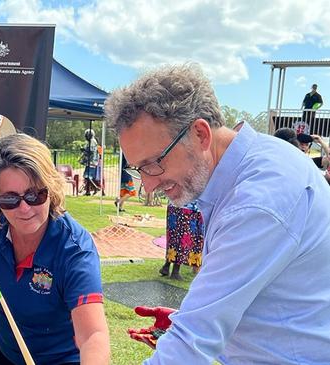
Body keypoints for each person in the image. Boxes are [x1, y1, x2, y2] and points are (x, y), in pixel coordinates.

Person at [105, 64, 330, 364]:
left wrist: (191, 324)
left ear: (200, 134)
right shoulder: (251, 165)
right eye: (139, 169)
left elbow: (192, 342)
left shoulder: (257, 201)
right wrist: (188, 317)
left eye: (154, 162)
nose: (147, 185)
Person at [0, 133, 110, 365]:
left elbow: (93, 335)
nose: (24, 209)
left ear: (52, 188)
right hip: (6, 349)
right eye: (9, 199)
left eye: (35, 195)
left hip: (59, 358)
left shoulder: (74, 250)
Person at [158, 202, 204, 280]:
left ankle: (166, 267)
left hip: (174, 206)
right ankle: (175, 272)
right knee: (183, 238)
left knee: (173, 237)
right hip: (187, 209)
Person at [80, 128, 101, 195]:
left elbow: (90, 151)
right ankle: (88, 192)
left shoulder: (92, 142)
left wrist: (84, 150)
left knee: (87, 176)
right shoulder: (92, 141)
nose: (85, 137)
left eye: (86, 135)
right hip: (91, 162)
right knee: (88, 177)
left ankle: (96, 188)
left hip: (91, 162)